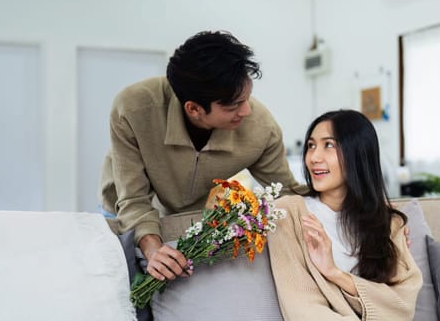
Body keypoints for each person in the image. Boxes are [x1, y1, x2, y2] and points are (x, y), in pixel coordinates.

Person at [99, 30, 305, 284]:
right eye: (233, 106)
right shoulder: (133, 110)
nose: (246, 110)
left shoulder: (262, 129)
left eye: (247, 98)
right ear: (194, 109)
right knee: (121, 290)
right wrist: (153, 250)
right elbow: (133, 199)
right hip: (123, 209)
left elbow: (286, 193)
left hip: (188, 220)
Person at [268, 109, 422, 320]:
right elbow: (302, 309)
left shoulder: (389, 223)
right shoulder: (288, 214)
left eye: (328, 145)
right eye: (311, 146)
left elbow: (403, 305)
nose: (314, 157)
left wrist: (334, 273)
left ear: (357, 153)